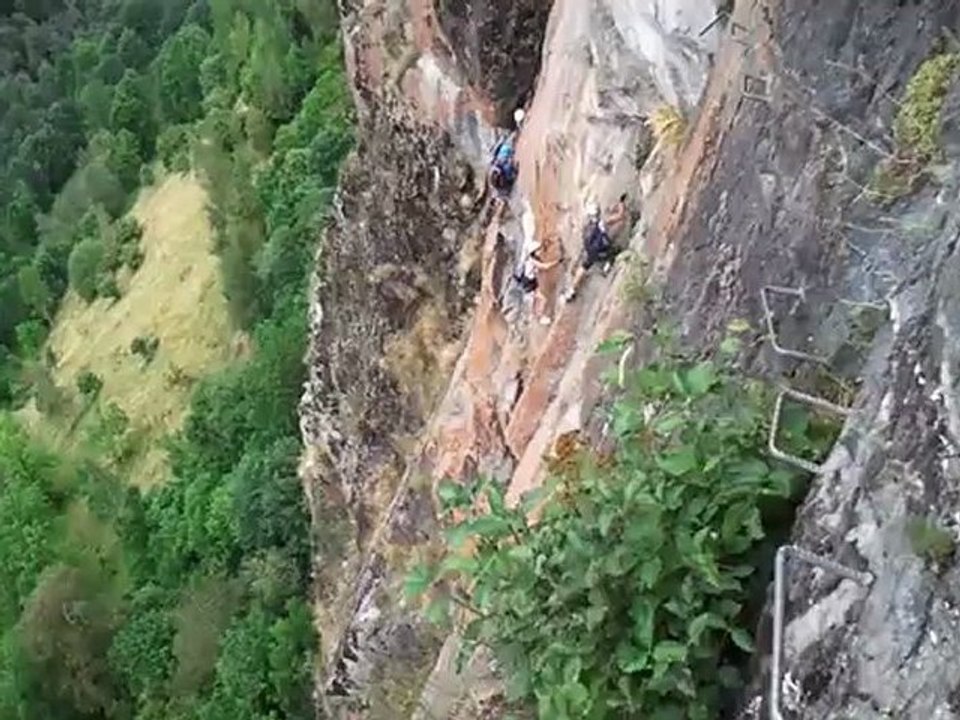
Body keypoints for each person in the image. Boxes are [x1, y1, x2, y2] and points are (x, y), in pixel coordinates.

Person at [563, 195, 628, 303]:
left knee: (584, 266)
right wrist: (621, 203)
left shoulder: (588, 225)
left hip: (590, 250)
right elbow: (620, 216)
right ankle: (607, 264)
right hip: (602, 249)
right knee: (615, 246)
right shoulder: (603, 222)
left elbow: (585, 237)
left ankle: (571, 290)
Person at [514, 237, 562, 324]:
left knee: (536, 300)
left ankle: (534, 316)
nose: (540, 251)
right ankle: (539, 317)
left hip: (531, 283)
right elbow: (545, 267)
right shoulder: (532, 261)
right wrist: (557, 262)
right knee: (542, 299)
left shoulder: (531, 260)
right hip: (529, 284)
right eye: (538, 250)